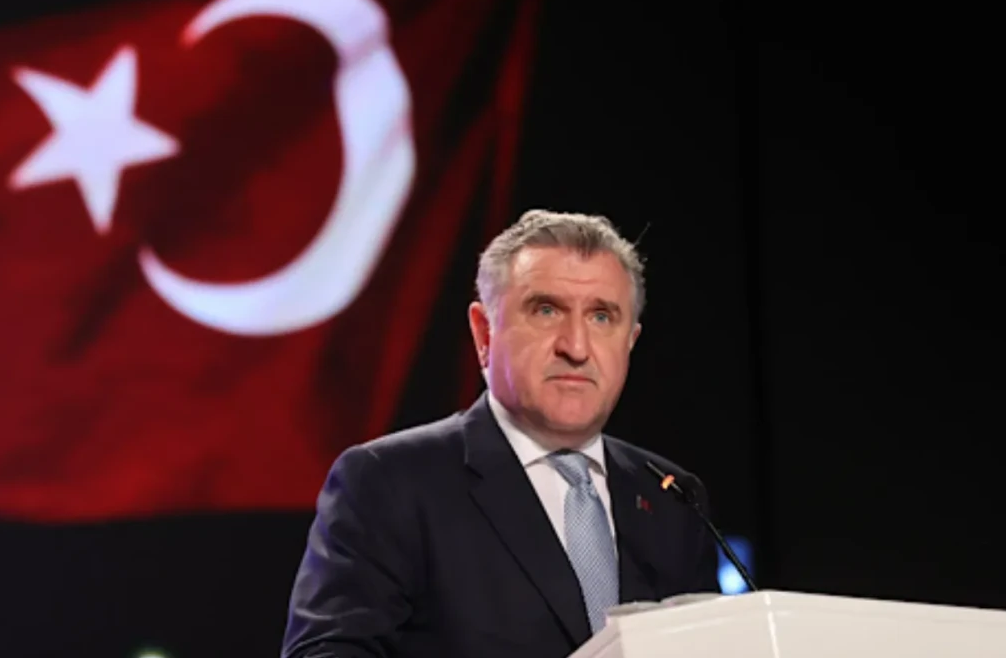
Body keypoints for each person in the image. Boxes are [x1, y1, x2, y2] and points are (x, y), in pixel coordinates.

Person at [281, 209, 720, 658]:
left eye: (602, 317)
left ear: (630, 340)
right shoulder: (390, 482)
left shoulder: (672, 497)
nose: (576, 347)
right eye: (546, 310)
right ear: (484, 334)